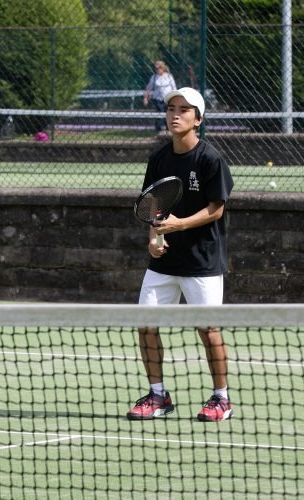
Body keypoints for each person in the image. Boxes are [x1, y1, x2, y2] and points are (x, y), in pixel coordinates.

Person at [127, 87, 235, 422]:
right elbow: (152, 206)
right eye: (171, 108)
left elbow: (216, 210)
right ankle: (158, 395)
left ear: (198, 119)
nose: (176, 114)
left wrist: (179, 225)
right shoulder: (158, 158)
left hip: (202, 261)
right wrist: (154, 236)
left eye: (184, 110)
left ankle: (221, 399)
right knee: (146, 325)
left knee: (208, 329)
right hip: (164, 262)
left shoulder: (210, 159)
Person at [143, 60, 177, 133]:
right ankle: (158, 131)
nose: (157, 70)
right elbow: (149, 87)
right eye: (156, 69)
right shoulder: (154, 77)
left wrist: (175, 98)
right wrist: (146, 98)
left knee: (168, 114)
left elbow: (174, 88)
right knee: (159, 114)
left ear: (163, 68)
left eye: (159, 68)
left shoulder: (169, 76)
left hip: (168, 99)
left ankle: (169, 131)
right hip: (158, 99)